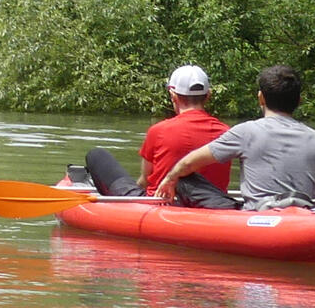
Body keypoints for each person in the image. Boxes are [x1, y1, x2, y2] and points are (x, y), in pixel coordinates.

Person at [155, 64, 315, 211]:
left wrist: (170, 179)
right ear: (299, 101)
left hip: (258, 213)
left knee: (183, 177)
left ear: (261, 98)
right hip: (305, 213)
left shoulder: (246, 131)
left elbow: (188, 163)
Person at [75, 64, 235, 208]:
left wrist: (130, 198)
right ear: (208, 95)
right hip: (210, 204)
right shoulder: (228, 133)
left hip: (158, 204)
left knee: (96, 155)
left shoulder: (159, 130)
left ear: (173, 95)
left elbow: (145, 180)